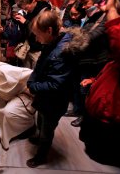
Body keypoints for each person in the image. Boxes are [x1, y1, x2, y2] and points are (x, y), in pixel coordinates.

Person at [79, 0, 120, 172]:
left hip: (115, 122)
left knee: (106, 164)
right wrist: (95, 80)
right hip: (105, 114)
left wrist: (111, 11)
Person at [26, 10, 88, 167]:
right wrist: (33, 79)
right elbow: (41, 62)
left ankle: (41, 156)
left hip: (54, 100)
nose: (36, 38)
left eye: (38, 34)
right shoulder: (53, 42)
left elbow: (55, 84)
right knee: (40, 118)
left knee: (48, 128)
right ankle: (39, 136)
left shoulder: (63, 52)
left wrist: (33, 85)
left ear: (49, 30)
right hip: (45, 97)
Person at [70, 0, 110, 127]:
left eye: (86, 2)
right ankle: (77, 110)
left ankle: (85, 116)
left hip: (95, 61)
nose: (84, 6)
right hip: (85, 59)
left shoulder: (104, 17)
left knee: (86, 90)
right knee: (77, 87)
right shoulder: (91, 16)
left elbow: (91, 36)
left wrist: (72, 38)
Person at [16, 0, 51, 69]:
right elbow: (27, 30)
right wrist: (20, 22)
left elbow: (41, 30)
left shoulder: (45, 11)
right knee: (26, 73)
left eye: (26, 7)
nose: (26, 10)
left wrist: (25, 22)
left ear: (33, 0)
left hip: (38, 50)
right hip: (29, 47)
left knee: (36, 73)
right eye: (24, 9)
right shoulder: (30, 11)